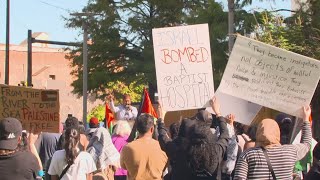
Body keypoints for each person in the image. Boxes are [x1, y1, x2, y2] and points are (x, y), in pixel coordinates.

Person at [157, 96, 229, 180]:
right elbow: (225, 134)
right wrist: (218, 113)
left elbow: (163, 138)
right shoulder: (217, 151)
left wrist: (161, 118)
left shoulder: (180, 152)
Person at [234, 106, 312, 180]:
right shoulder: (290, 152)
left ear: (258, 132)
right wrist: (306, 119)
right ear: (277, 132)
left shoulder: (248, 155)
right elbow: (307, 144)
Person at [120, 113, 168, 180]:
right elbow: (165, 167)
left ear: (137, 129)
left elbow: (123, 166)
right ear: (152, 129)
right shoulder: (162, 147)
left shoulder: (128, 148)